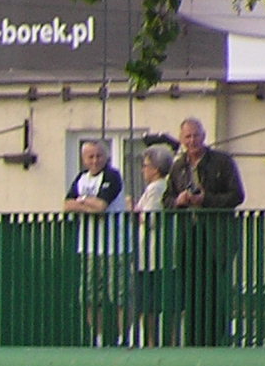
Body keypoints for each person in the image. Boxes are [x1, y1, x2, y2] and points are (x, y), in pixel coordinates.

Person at [163, 117, 246, 344]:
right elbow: (166, 200)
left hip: (217, 237)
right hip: (188, 237)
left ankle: (216, 339)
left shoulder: (222, 161)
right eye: (187, 136)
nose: (192, 141)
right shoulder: (178, 166)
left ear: (204, 136)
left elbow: (237, 195)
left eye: (196, 135)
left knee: (215, 290)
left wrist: (205, 200)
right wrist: (179, 200)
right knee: (191, 291)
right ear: (181, 139)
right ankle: (193, 340)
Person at [63, 139, 127, 344]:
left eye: (98, 155)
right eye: (90, 156)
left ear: (106, 156)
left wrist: (81, 202)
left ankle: (122, 338)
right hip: (89, 246)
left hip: (115, 247)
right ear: (83, 159)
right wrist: (86, 204)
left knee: (119, 294)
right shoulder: (81, 179)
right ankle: (96, 338)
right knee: (90, 295)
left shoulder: (112, 176)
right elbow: (66, 204)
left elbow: (101, 205)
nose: (95, 160)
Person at [134, 143, 175, 346]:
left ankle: (153, 342)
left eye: (146, 165)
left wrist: (132, 211)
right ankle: (158, 340)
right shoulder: (161, 187)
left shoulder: (156, 188)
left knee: (149, 304)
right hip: (153, 255)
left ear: (156, 169)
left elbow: (151, 219)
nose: (143, 169)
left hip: (152, 256)